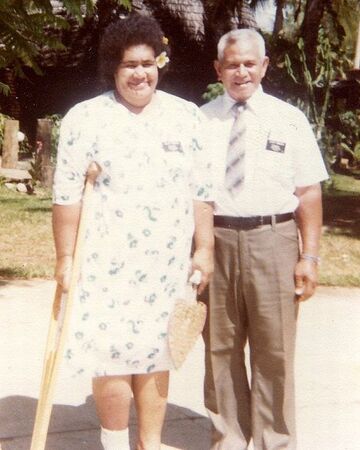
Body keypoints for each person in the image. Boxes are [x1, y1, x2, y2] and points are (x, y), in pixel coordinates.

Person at [52, 14, 214, 450]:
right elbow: (66, 197)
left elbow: (201, 191)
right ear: (114, 69)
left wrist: (205, 248)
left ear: (159, 63)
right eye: (129, 65)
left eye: (147, 62)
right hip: (104, 262)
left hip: (165, 263)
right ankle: (115, 443)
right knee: (111, 357)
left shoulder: (186, 117)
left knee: (156, 354)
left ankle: (151, 444)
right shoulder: (85, 118)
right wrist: (65, 258)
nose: (140, 73)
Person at [200, 28, 328, 450]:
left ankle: (276, 441)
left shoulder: (288, 119)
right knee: (220, 348)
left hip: (273, 239)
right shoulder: (200, 121)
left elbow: (308, 192)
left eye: (249, 63)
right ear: (218, 69)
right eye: (232, 64)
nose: (241, 72)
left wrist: (309, 256)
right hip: (216, 239)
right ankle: (230, 439)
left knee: (275, 352)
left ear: (264, 67)